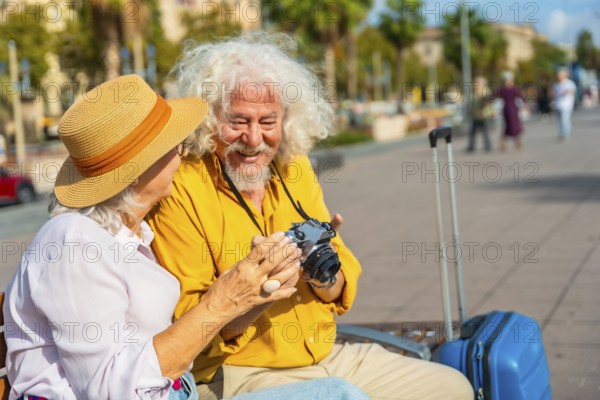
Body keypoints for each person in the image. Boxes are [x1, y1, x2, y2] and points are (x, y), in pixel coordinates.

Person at [148, 33, 473, 400]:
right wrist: (263, 290)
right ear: (209, 120)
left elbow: (339, 287)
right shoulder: (182, 187)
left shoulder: (294, 168)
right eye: (237, 121)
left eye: (268, 121)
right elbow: (192, 329)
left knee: (453, 387)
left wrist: (321, 271)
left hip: (325, 354)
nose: (254, 139)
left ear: (287, 120)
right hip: (239, 373)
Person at [3, 74, 369, 400]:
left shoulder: (130, 235)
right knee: (339, 395)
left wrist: (253, 293)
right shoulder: (73, 244)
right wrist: (223, 302)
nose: (185, 149)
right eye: (173, 143)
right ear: (137, 171)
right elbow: (112, 390)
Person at [492, 70, 523, 151]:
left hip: (513, 110)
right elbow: (493, 95)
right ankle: (503, 144)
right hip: (506, 110)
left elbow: (521, 97)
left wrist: (525, 106)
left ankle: (518, 144)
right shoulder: (503, 89)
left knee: (515, 127)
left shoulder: (514, 89)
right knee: (506, 127)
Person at [466, 77, 493, 152]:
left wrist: (483, 112)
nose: (475, 85)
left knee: (485, 131)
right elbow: (470, 104)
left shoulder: (486, 92)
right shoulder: (473, 93)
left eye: (477, 84)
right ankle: (471, 146)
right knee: (472, 132)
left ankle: (488, 146)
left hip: (483, 115)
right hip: (475, 116)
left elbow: (488, 104)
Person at [553, 67, 577, 141]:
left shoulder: (569, 83)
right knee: (560, 120)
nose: (558, 76)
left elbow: (572, 91)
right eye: (557, 75)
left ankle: (565, 134)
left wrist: (565, 92)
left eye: (559, 75)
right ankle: (562, 133)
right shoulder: (556, 84)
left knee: (565, 119)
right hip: (558, 105)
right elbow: (553, 94)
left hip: (566, 105)